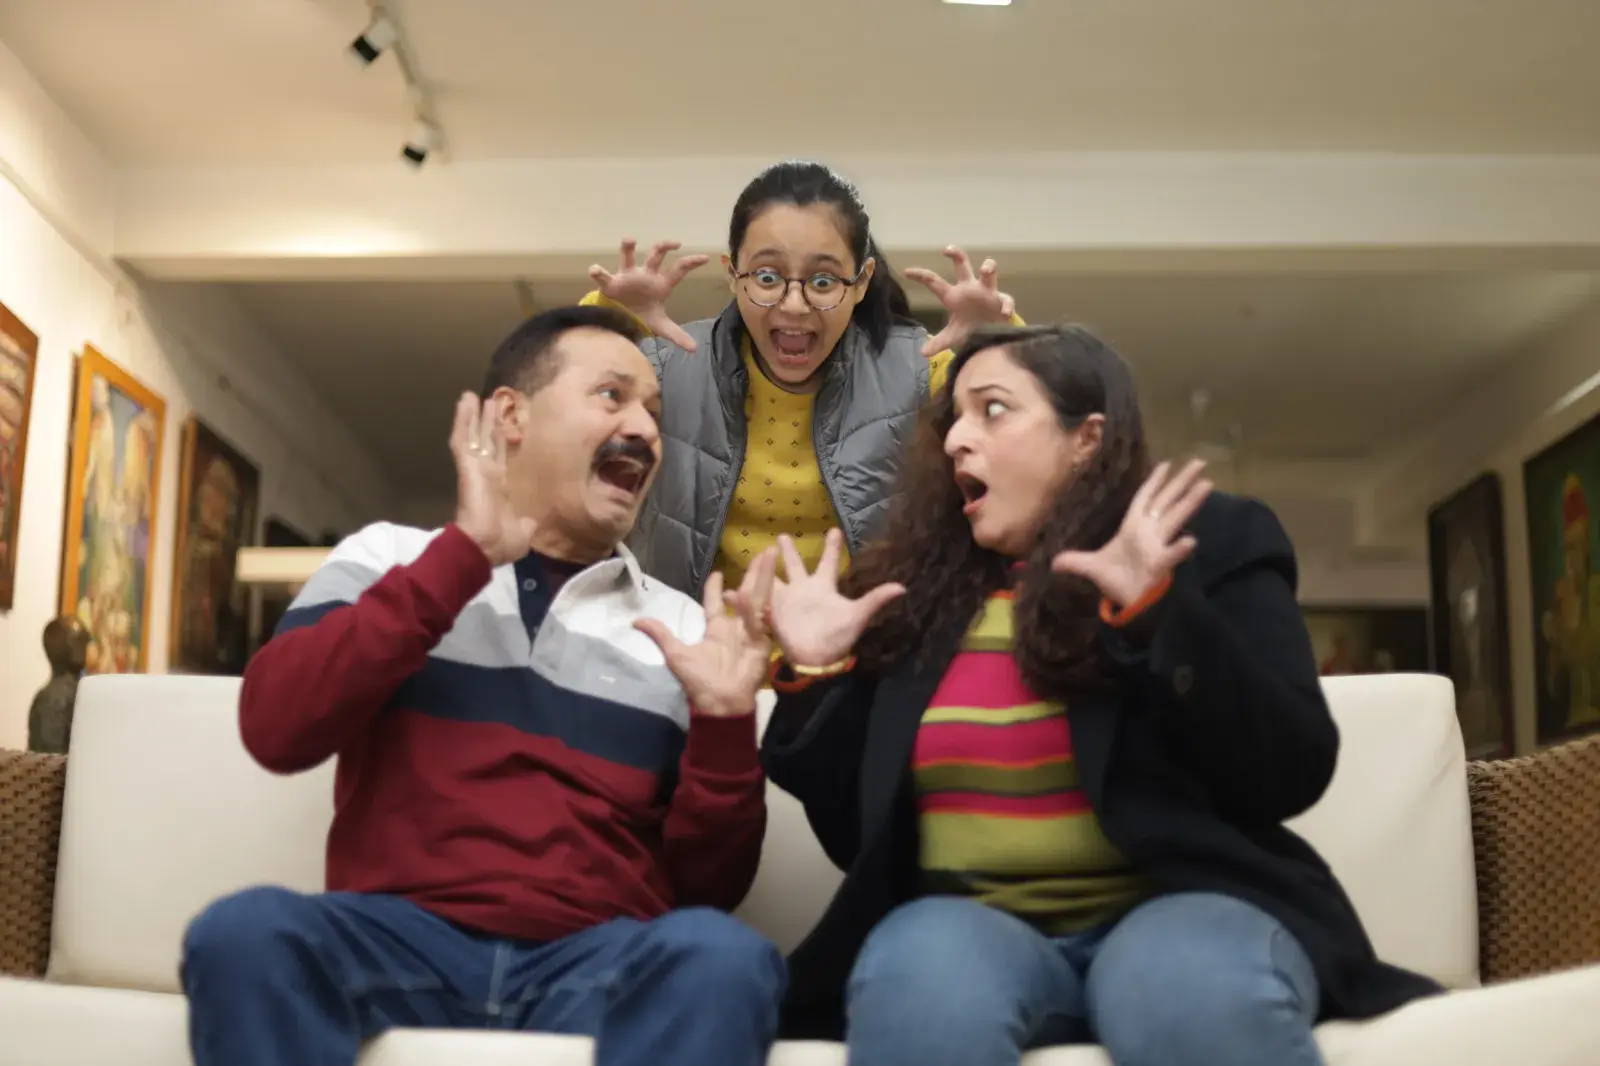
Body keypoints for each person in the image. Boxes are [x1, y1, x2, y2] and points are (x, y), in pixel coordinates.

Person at [756, 324, 1442, 1065]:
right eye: (952, 417)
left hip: (1179, 911)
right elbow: (857, 839)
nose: (957, 438)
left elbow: (1289, 768)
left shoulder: (1209, 542)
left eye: (991, 410)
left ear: (1086, 439)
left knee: (1185, 993)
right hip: (964, 927)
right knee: (922, 986)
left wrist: (1156, 612)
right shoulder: (912, 597)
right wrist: (816, 676)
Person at [179, 306, 787, 1066]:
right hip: (397, 943)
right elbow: (275, 728)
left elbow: (709, 888)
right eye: (613, 396)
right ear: (512, 415)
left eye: (655, 412)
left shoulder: (683, 627)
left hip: (592, 961)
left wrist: (727, 719)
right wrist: (460, 560)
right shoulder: (391, 557)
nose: (647, 430)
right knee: (245, 933)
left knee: (722, 956)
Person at [581, 159, 1022, 599]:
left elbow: (1028, 428)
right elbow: (560, 402)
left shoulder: (917, 368)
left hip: (871, 653)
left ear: (862, 281)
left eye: (824, 280)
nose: (794, 305)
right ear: (732, 273)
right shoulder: (666, 368)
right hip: (700, 648)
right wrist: (613, 316)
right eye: (767, 276)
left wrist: (995, 339)